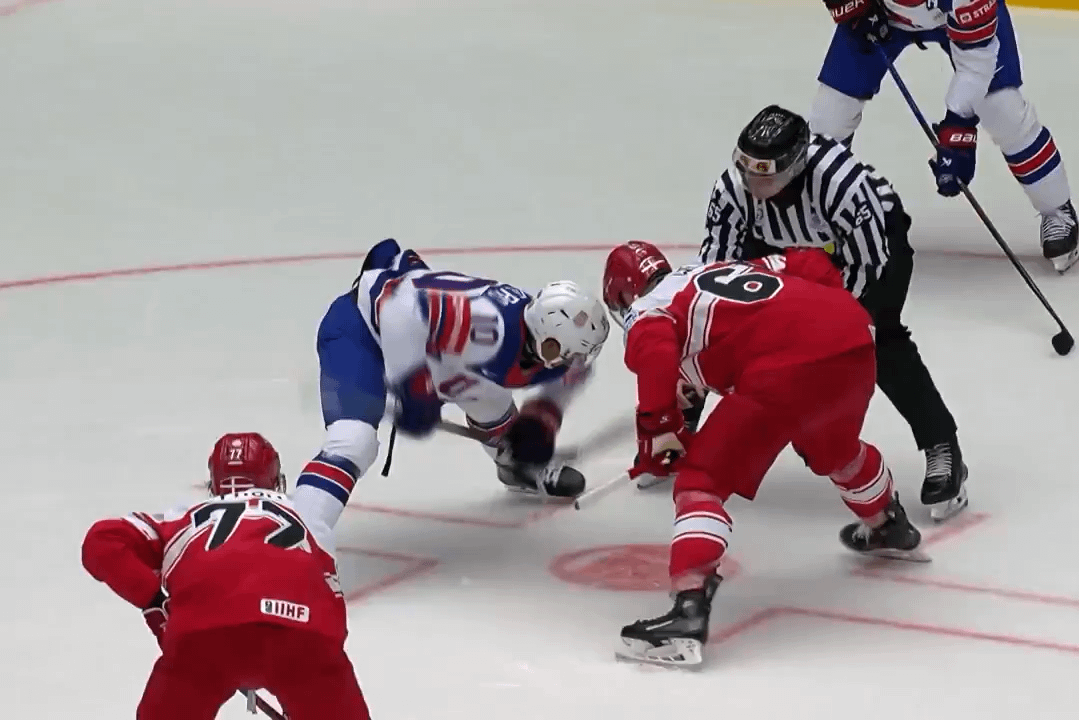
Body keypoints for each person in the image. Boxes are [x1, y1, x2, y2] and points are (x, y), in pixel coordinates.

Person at [601, 240, 928, 668]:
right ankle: (887, 523)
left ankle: (687, 612)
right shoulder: (718, 270)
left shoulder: (649, 308)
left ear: (625, 294)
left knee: (701, 481)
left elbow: (656, 352)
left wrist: (659, 431)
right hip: (852, 337)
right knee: (833, 450)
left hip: (785, 368)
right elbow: (810, 263)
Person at [697, 104, 968, 523]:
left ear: (793, 167)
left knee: (880, 343)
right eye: (747, 170)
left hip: (865, 252)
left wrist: (818, 328)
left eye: (763, 173)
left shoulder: (841, 184)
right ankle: (677, 431)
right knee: (713, 331)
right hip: (779, 249)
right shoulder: (734, 190)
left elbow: (869, 265)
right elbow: (714, 277)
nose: (752, 182)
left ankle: (941, 445)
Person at [301, 238, 610, 510]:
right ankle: (303, 518)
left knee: (491, 399)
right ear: (547, 338)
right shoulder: (487, 325)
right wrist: (413, 382)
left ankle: (515, 464)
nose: (574, 362)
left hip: (435, 350)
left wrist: (543, 418)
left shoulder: (546, 335)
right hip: (364, 333)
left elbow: (574, 372)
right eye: (567, 353)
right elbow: (397, 307)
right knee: (354, 441)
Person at [81, 433, 370, 719]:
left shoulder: (183, 517)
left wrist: (154, 600)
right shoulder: (305, 509)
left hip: (203, 637)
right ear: (274, 478)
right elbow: (345, 453)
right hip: (300, 636)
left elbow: (101, 543)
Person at [813, 0, 1079, 273]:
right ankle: (816, 214)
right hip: (878, 12)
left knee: (1003, 109)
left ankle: (1057, 210)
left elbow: (977, 64)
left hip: (957, 19)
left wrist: (959, 125)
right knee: (831, 115)